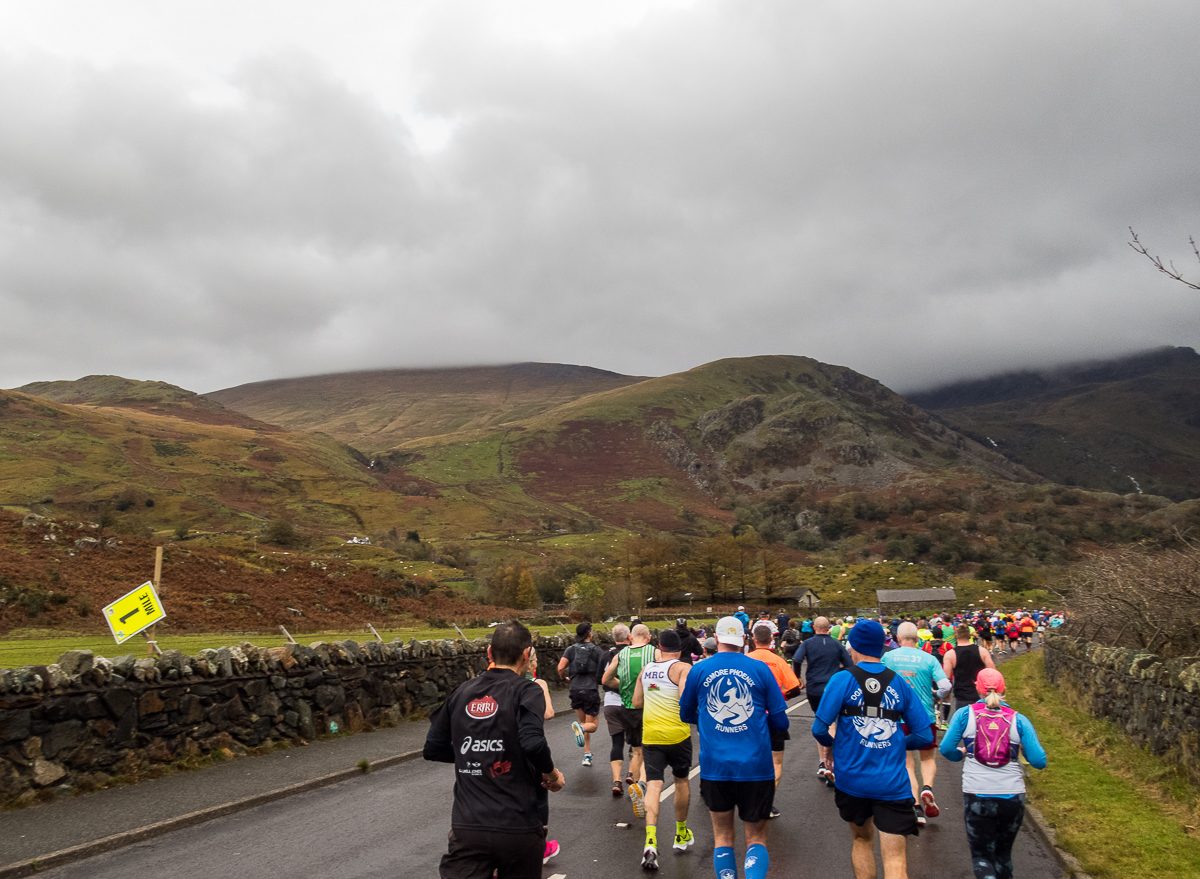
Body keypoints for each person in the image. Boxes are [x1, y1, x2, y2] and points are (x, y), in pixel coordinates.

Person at [423, 621, 565, 879]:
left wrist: (474, 755)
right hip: (518, 826)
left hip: (468, 827)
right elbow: (532, 742)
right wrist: (552, 774)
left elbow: (433, 747)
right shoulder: (527, 690)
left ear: (489, 653)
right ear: (526, 654)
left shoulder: (461, 691)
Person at [812, 619, 932, 879]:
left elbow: (819, 729)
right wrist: (899, 743)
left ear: (853, 646)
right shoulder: (899, 683)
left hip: (852, 780)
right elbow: (923, 735)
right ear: (882, 647)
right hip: (892, 783)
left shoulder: (841, 680)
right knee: (896, 857)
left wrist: (835, 747)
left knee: (862, 841)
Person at [680, 616, 788, 879]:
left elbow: (685, 713)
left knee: (723, 836)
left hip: (715, 767)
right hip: (756, 768)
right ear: (744, 640)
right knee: (756, 837)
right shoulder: (761, 668)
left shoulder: (699, 670)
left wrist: (706, 720)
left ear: (716, 639)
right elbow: (780, 720)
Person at [940, 668, 1048, 879]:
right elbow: (1039, 761)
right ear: (1004, 688)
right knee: (1003, 856)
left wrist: (961, 755)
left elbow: (946, 749)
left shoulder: (965, 715)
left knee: (982, 857)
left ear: (977, 688)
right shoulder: (1019, 719)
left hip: (977, 794)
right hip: (1012, 796)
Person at [632, 629, 694, 870]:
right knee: (681, 782)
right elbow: (685, 698)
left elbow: (637, 702)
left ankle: (650, 841)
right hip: (677, 735)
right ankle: (680, 834)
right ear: (679, 649)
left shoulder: (646, 669)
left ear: (659, 646)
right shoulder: (682, 668)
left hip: (651, 735)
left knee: (655, 785)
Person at [882, 622, 953, 827]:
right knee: (927, 757)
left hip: (898, 716)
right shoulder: (929, 658)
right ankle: (927, 788)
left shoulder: (888, 658)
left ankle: (916, 808)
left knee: (907, 764)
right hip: (925, 715)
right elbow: (945, 685)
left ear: (898, 638)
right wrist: (937, 696)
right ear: (918, 639)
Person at [791, 615, 853, 785]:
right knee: (832, 722)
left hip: (814, 687)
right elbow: (849, 664)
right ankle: (831, 763)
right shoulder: (836, 644)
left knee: (820, 721)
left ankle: (822, 761)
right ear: (829, 629)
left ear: (814, 628)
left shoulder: (808, 643)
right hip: (832, 688)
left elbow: (796, 659)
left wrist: (797, 677)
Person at [748, 624, 803, 815]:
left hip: (748, 717)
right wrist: (782, 697)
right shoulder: (778, 661)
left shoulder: (746, 660)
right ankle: (766, 803)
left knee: (750, 758)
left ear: (753, 640)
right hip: (772, 715)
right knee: (776, 762)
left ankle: (748, 798)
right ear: (772, 640)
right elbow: (795, 688)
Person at [602, 623, 656, 817]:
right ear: (648, 637)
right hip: (648, 706)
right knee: (648, 749)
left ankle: (633, 782)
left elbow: (606, 680)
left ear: (631, 637)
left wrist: (623, 683)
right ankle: (640, 784)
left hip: (627, 706)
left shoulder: (621, 655)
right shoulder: (654, 652)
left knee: (636, 749)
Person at [557, 622, 603, 766]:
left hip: (575, 690)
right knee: (592, 726)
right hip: (590, 690)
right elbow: (605, 668)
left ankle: (587, 755)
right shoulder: (596, 650)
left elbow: (560, 667)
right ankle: (583, 741)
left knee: (583, 723)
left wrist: (564, 678)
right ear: (589, 633)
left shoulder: (570, 650)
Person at [603, 624, 634, 796]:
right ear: (629, 637)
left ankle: (617, 781)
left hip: (610, 703)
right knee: (634, 742)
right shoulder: (631, 654)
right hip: (629, 702)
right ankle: (631, 774)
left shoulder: (605, 654)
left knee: (616, 742)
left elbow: (599, 678)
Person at [944, 624, 996, 717]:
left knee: (964, 724)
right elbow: (993, 672)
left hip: (961, 695)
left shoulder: (950, 654)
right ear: (969, 635)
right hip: (981, 694)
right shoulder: (982, 651)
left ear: (955, 636)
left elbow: (946, 677)